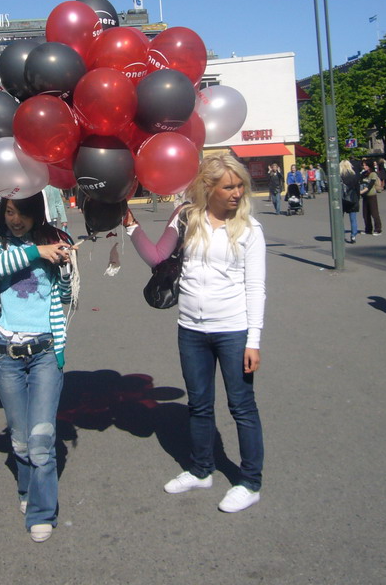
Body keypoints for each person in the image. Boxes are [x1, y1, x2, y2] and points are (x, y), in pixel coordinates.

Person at [123, 155, 265, 513]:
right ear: (209, 187)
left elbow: (256, 288)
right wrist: (129, 224)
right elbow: (158, 258)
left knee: (241, 407)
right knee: (199, 405)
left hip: (233, 330)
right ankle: (201, 469)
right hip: (191, 329)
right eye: (229, 186)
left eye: (239, 186)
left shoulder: (249, 230)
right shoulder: (187, 218)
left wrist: (254, 340)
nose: (237, 192)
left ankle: (250, 482)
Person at [0, 195, 74, 543]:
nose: (15, 219)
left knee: (41, 440)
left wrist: (63, 264)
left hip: (46, 352)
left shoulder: (53, 239)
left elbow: (63, 295)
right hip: (6, 355)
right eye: (9, 211)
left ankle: (41, 511)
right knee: (19, 439)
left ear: (36, 212)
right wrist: (37, 253)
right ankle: (26, 491)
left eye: (22, 212)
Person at [339, 159, 361, 244]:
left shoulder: (339, 176)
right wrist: (358, 198)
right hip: (352, 198)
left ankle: (341, 234)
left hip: (342, 199)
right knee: (353, 219)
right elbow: (357, 188)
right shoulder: (354, 175)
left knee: (340, 218)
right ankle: (353, 235)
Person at [361, 159, 383, 235]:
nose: (364, 166)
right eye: (363, 165)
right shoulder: (364, 173)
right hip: (365, 196)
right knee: (365, 214)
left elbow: (370, 185)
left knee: (374, 213)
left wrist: (361, 192)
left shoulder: (373, 174)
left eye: (365, 165)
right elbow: (359, 181)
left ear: (369, 166)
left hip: (371, 195)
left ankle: (378, 229)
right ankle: (368, 229)